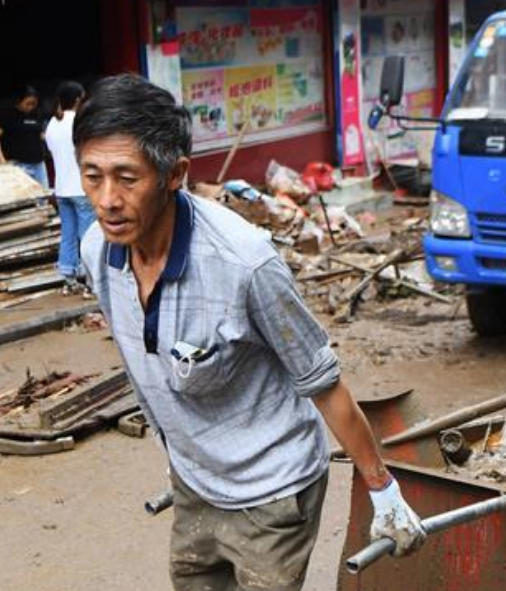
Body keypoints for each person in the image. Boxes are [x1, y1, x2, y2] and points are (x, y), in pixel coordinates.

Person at [76, 74, 426, 591]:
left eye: (127, 178)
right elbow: (143, 362)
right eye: (92, 176)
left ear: (175, 175)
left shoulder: (245, 264)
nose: (107, 199)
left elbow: (322, 383)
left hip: (274, 491)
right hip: (196, 482)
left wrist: (384, 491)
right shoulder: (95, 252)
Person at [45, 80, 96, 296]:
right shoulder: (80, 121)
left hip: (62, 189)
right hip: (81, 188)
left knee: (68, 232)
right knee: (89, 234)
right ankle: (90, 278)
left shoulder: (52, 124)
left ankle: (68, 277)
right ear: (77, 99)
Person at [0, 84, 48, 187]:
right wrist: (3, 160)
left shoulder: (37, 114)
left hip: (39, 164)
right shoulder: (7, 116)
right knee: (27, 199)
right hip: (19, 165)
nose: (31, 106)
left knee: (43, 197)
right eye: (28, 103)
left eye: (33, 104)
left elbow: (42, 134)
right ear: (18, 101)